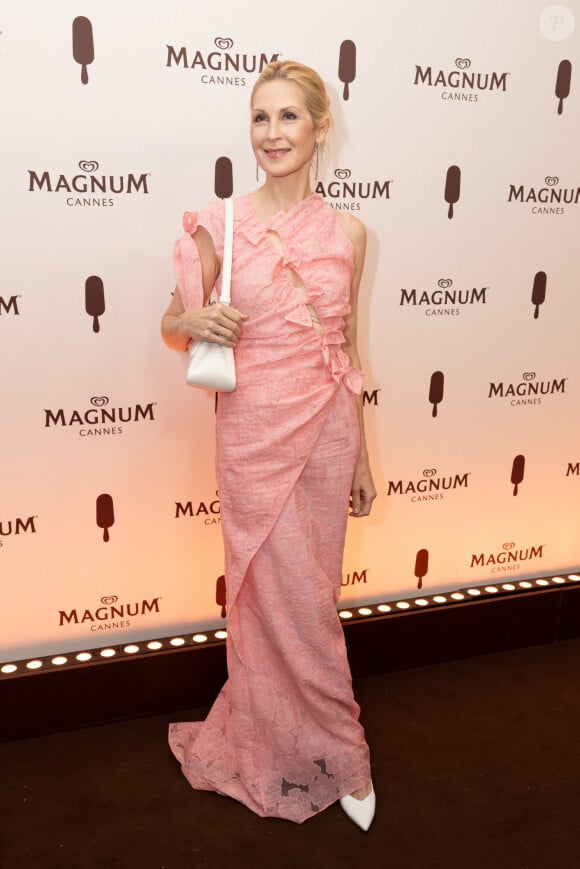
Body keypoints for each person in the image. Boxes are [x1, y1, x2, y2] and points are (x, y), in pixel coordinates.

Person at [160, 60, 377, 830]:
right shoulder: (222, 224)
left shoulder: (350, 230)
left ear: (321, 128)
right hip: (251, 437)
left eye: (290, 117)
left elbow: (348, 351)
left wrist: (361, 458)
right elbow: (170, 320)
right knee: (269, 603)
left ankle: (316, 741)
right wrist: (193, 323)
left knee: (313, 601)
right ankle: (338, 751)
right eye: (261, 117)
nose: (273, 132)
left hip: (326, 436)